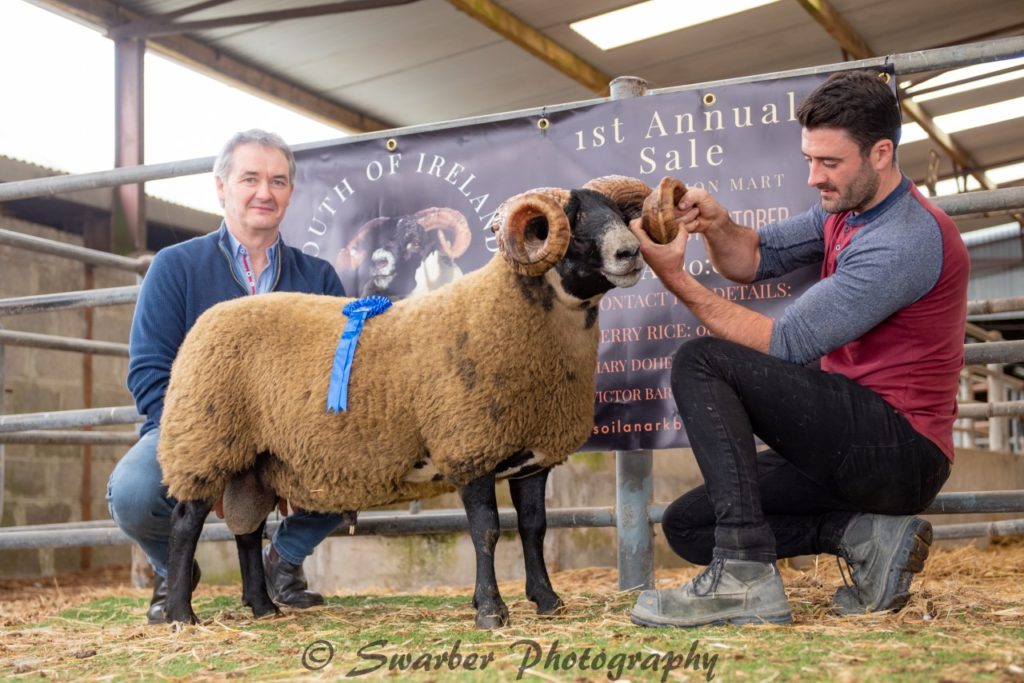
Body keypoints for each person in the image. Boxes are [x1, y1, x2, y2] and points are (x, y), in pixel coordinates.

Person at [627, 70, 969, 628]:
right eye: (809, 159)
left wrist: (675, 279)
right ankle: (859, 536)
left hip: (899, 451)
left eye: (829, 163)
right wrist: (717, 226)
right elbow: (753, 259)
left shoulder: (905, 238)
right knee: (688, 524)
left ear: (881, 153)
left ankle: (743, 574)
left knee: (701, 360)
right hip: (847, 440)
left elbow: (786, 343)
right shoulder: (846, 212)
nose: (813, 177)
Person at [107, 129, 347, 624]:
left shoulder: (319, 278)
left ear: (291, 193)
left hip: (290, 436)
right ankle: (173, 569)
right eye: (250, 178)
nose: (265, 192)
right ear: (221, 187)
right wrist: (212, 451)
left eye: (278, 180)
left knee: (364, 461)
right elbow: (149, 372)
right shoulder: (175, 267)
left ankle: (284, 561)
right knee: (132, 492)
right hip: (195, 431)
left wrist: (293, 445)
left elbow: (342, 375)